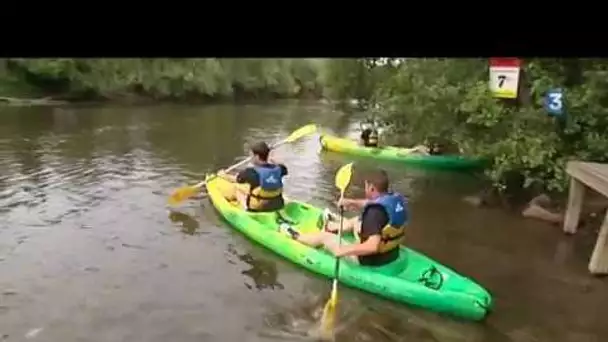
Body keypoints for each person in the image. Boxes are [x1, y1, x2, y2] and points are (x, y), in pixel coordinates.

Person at [281, 169, 409, 267]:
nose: (365, 189)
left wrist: (343, 250)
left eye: (365, 186)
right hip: (392, 254)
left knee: (324, 237)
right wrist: (350, 202)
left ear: (371, 187)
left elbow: (372, 247)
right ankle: (331, 227)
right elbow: (371, 203)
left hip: (370, 260)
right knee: (358, 220)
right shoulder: (394, 199)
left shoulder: (374, 213)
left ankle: (296, 236)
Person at [218, 141, 288, 212]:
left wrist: (223, 175)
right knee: (256, 188)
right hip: (278, 206)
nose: (250, 158)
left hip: (258, 208)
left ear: (257, 157)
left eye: (251, 155)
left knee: (237, 189)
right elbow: (281, 167)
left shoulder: (251, 172)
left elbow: (235, 179)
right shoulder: (280, 169)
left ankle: (245, 209)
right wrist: (269, 157)